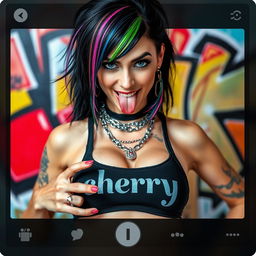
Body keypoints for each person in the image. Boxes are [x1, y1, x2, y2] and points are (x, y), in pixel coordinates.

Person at [21, 0, 244, 219]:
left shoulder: (187, 137)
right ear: (93, 65)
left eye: (140, 63)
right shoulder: (65, 140)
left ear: (160, 57)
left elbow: (242, 202)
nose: (127, 82)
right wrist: (40, 202)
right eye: (110, 65)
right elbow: (28, 235)